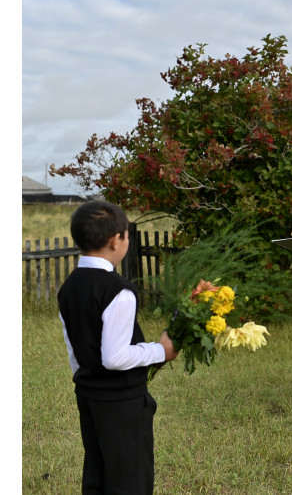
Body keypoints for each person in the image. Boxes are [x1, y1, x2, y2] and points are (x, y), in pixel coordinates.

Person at [57, 200, 179, 494]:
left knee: (98, 478)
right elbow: (115, 357)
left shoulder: (69, 286)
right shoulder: (119, 290)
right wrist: (161, 350)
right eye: (126, 235)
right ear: (116, 240)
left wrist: (87, 381)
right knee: (130, 482)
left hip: (88, 396)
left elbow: (74, 351)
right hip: (121, 404)